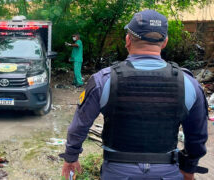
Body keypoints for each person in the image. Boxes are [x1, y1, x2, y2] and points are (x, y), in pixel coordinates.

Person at [60, 10, 208, 180]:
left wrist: (71, 157)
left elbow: (79, 126)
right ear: (165, 42)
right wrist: (189, 169)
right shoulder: (189, 84)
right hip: (167, 172)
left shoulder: (104, 80)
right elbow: (197, 135)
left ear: (128, 40)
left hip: (117, 172)